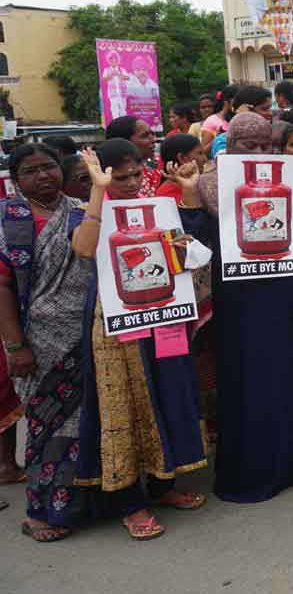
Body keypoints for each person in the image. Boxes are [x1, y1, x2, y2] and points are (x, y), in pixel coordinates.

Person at [194, 113, 293, 502]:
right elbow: (202, 242)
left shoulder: (287, 178)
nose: (259, 152)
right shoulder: (208, 184)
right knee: (254, 374)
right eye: (250, 145)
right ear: (230, 145)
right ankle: (259, 467)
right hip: (242, 298)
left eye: (266, 145)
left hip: (290, 290)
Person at [72, 140, 209, 540]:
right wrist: (99, 191)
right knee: (125, 405)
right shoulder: (90, 211)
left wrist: (186, 208)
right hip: (116, 323)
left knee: (168, 392)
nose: (132, 182)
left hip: (163, 316)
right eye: (122, 177)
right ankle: (129, 502)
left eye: (136, 174)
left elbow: (190, 249)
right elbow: (84, 248)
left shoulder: (156, 208)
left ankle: (164, 485)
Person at [1, 145, 92, 540]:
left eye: (49, 167)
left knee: (86, 424)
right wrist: (15, 346)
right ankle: (41, 512)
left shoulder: (81, 210)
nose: (43, 176)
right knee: (46, 429)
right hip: (37, 344)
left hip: (86, 334)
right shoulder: (10, 221)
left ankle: (85, 502)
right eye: (31, 171)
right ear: (16, 180)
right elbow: (2, 286)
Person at [105, 115, 161, 198]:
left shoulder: (153, 166)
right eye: (144, 136)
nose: (153, 140)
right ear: (124, 142)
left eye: (152, 134)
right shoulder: (104, 179)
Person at [156, 134, 205, 204]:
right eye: (200, 153)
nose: (204, 159)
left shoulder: (199, 183)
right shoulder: (167, 195)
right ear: (182, 158)